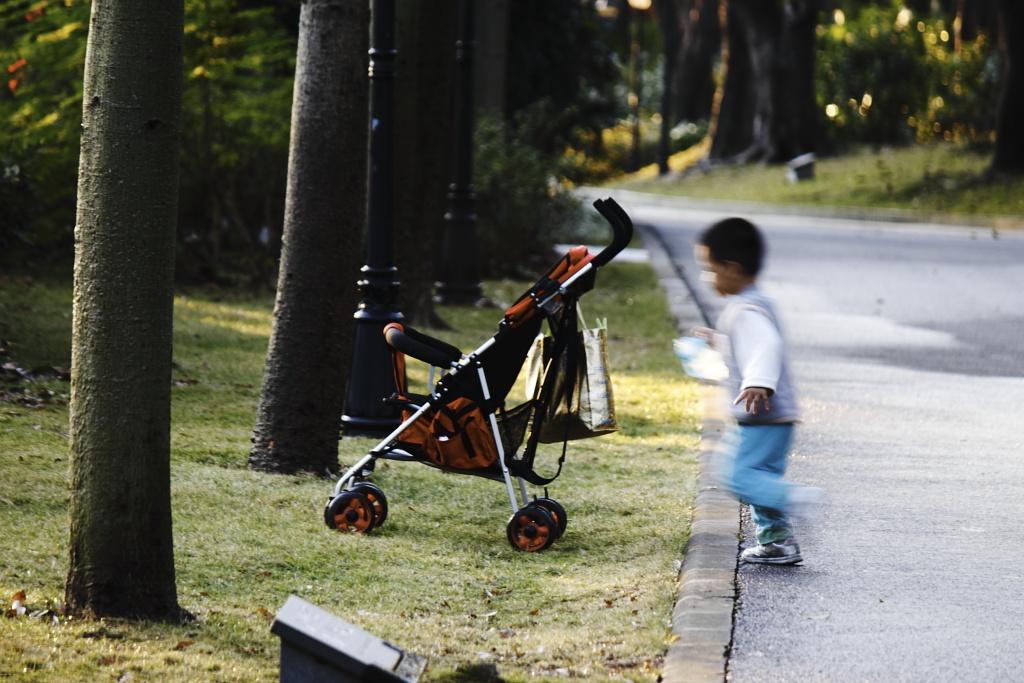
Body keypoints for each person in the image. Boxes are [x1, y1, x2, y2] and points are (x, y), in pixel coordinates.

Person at [693, 217, 820, 565]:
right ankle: (778, 543)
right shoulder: (755, 302)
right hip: (769, 417)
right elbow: (749, 345)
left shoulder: (745, 310)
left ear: (732, 269)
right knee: (758, 477)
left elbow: (766, 346)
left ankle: (794, 498)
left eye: (710, 269)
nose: (707, 278)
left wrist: (756, 383)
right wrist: (718, 340)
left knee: (735, 475)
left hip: (764, 415)